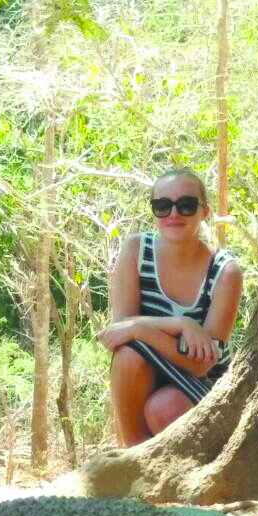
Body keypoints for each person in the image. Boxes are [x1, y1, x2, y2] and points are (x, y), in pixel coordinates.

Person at [97, 168, 243, 446]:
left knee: (163, 408)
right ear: (154, 212)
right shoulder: (135, 252)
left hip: (201, 387)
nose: (173, 215)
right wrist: (180, 324)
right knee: (126, 355)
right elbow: (119, 335)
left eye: (186, 205)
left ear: (205, 212)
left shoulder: (225, 272)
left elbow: (201, 366)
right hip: (147, 373)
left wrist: (139, 327)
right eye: (163, 206)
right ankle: (131, 460)